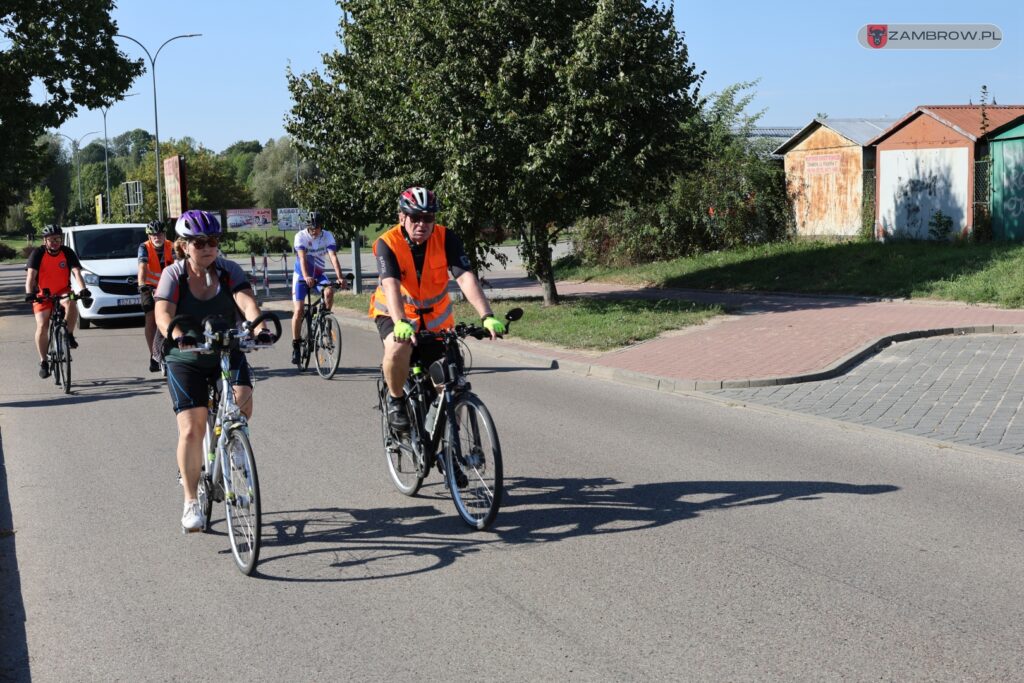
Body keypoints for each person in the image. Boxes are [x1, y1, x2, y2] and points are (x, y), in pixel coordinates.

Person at [154, 209, 276, 533]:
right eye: (199, 242)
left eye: (213, 241)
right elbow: (163, 314)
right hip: (186, 357)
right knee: (192, 429)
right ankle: (191, 500)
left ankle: (234, 445)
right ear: (183, 245)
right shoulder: (173, 275)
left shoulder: (227, 270)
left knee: (242, 399)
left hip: (225, 348)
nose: (208, 247)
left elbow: (246, 302)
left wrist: (258, 327)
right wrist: (177, 336)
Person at [369, 186, 505, 431]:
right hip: (395, 314)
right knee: (399, 346)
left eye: (428, 218)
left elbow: (464, 277)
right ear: (402, 217)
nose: (422, 223)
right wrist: (400, 321)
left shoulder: (446, 238)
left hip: (436, 321)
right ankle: (395, 399)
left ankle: (450, 445)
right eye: (415, 217)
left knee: (451, 384)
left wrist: (487, 316)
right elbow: (390, 284)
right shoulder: (386, 244)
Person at [24, 225, 91, 379]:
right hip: (43, 294)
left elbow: (76, 272)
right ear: (45, 240)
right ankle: (43, 362)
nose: (55, 242)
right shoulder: (38, 254)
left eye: (57, 239)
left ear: (61, 239)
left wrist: (83, 289)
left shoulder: (67, 252)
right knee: (42, 325)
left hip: (63, 291)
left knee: (72, 302)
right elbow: (31, 276)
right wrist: (29, 293)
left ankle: (69, 334)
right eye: (51, 239)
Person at [290, 210, 345, 366]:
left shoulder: (327, 236)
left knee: (328, 291)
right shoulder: (300, 236)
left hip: (319, 274)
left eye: (317, 228)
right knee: (299, 310)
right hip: (301, 275)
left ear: (321, 226)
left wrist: (340, 277)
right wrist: (306, 276)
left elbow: (333, 257)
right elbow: (301, 258)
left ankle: (325, 321)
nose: (314, 231)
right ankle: (295, 345)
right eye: (311, 228)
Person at [138, 219, 174, 372]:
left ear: (164, 234)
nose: (157, 238)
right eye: (154, 236)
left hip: (168, 285)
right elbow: (142, 267)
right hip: (150, 286)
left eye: (159, 235)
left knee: (173, 314)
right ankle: (153, 355)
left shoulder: (171, 246)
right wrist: (142, 285)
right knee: (151, 317)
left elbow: (178, 263)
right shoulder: (144, 247)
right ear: (150, 237)